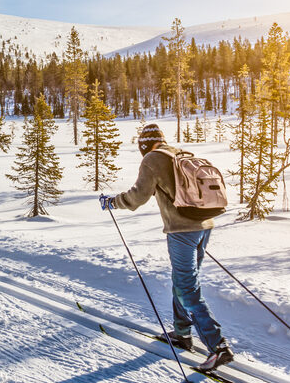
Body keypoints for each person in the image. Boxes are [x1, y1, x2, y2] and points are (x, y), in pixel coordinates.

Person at [100, 123, 233, 373]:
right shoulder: (179, 153)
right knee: (182, 282)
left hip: (182, 231)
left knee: (186, 287)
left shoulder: (152, 159)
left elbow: (138, 197)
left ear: (144, 145)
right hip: (204, 226)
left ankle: (218, 347)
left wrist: (112, 203)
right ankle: (182, 333)